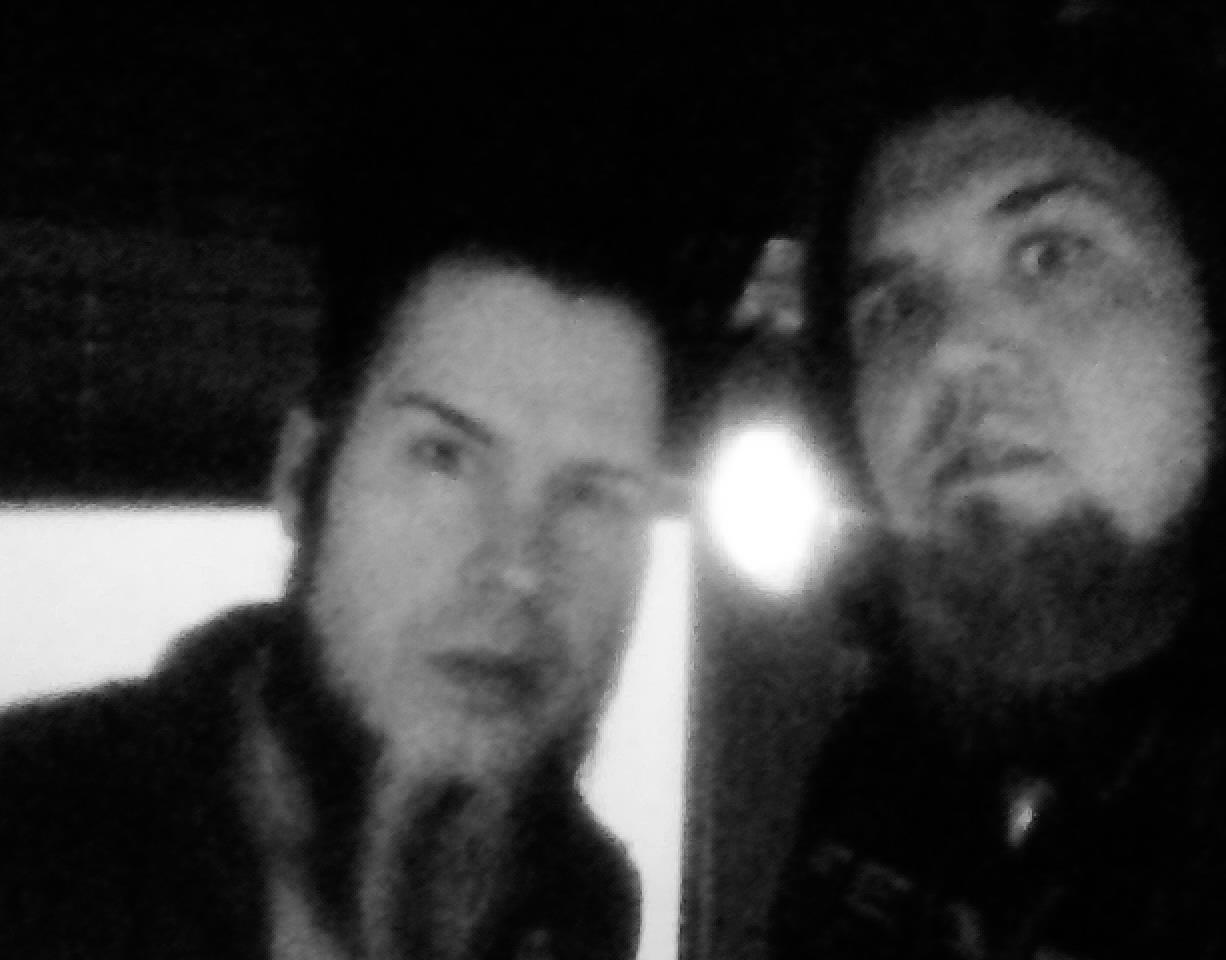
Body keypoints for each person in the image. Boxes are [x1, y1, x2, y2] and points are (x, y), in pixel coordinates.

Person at [0, 126, 703, 960]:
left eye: (592, 494)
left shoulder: (576, 903)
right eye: (443, 457)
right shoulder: (33, 846)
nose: (519, 565)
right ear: (303, 476)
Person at [768, 21, 1226, 960]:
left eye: (1051, 255)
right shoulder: (872, 775)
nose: (949, 349)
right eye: (897, 307)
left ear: (1222, 320)